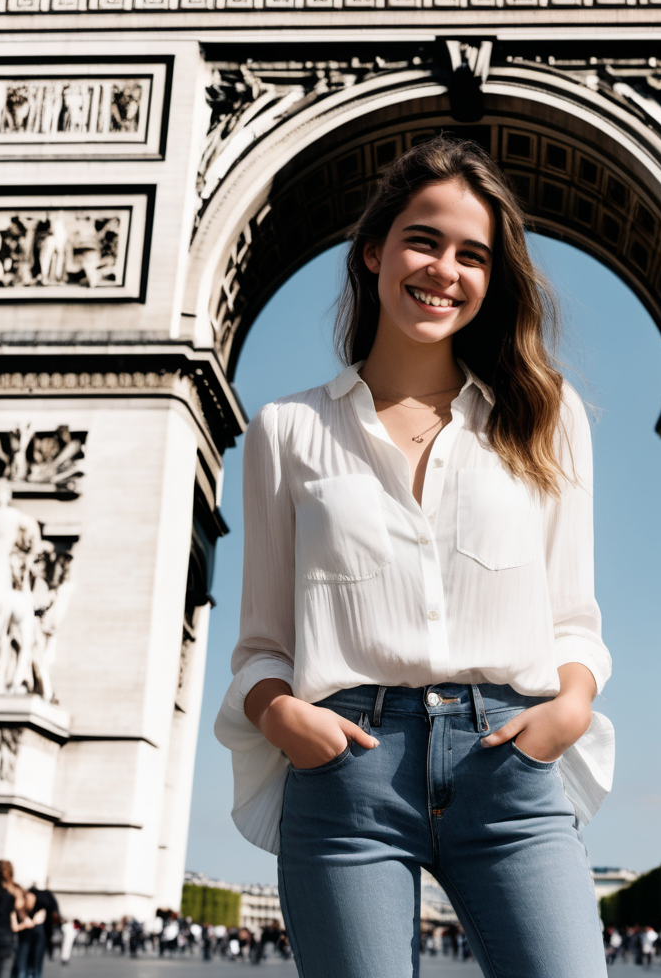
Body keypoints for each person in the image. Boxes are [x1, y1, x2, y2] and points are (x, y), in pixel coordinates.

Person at [215, 136, 613, 978]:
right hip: (347, 772)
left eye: (473, 255)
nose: (444, 269)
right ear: (373, 250)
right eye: (424, 240)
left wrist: (569, 710)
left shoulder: (547, 416)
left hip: (509, 763)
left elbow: (573, 618)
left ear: (492, 280)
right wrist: (282, 716)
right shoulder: (286, 431)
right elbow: (260, 645)